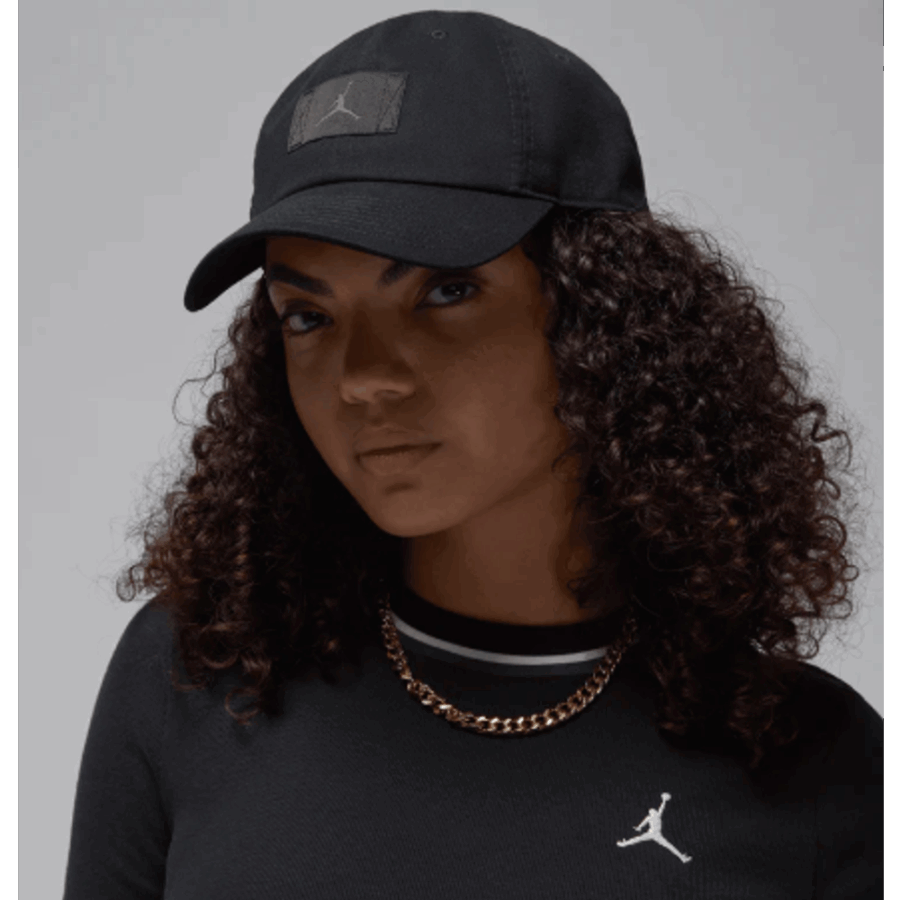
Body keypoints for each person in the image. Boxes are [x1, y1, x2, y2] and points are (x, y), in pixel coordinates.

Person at [62, 10, 883, 899]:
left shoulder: (816, 771)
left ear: (604, 313)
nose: (363, 378)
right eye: (308, 316)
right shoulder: (195, 676)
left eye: (446, 291)